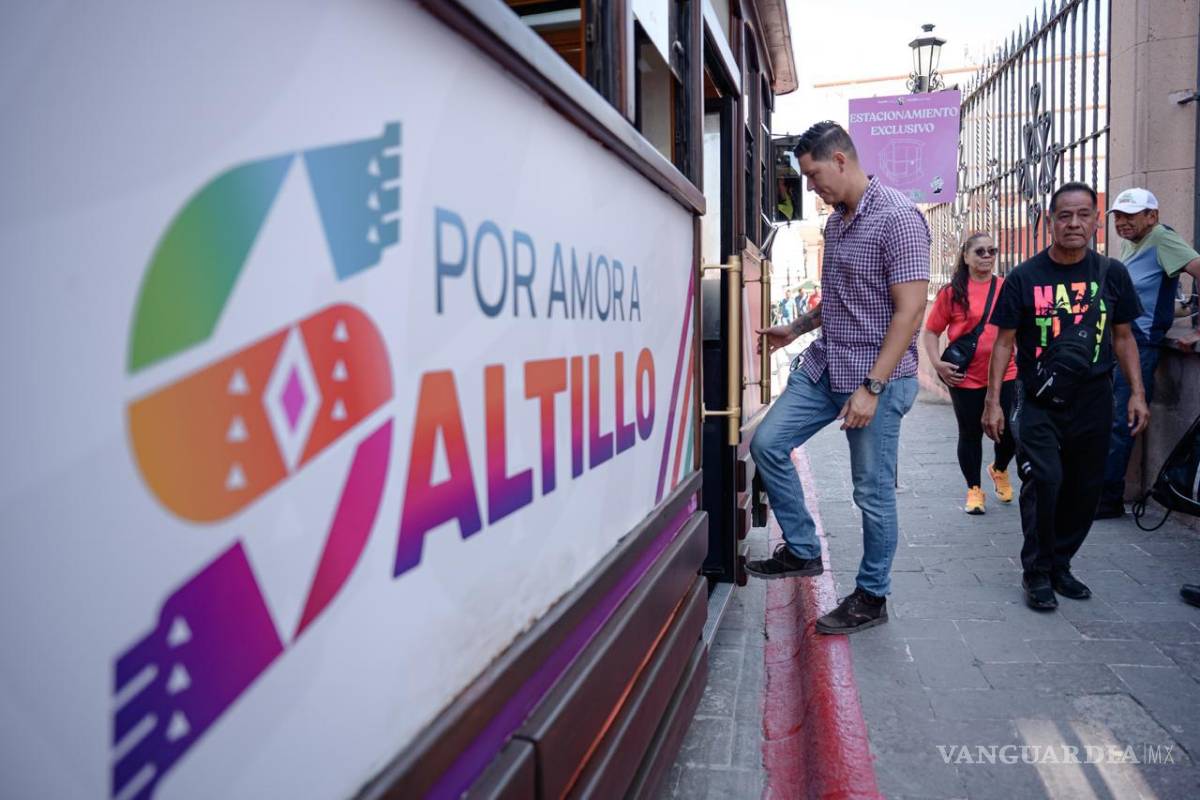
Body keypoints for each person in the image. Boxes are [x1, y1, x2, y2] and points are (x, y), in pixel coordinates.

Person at [745, 121, 928, 635]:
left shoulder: (898, 220)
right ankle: (802, 549)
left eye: (813, 174)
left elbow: (910, 311)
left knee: (871, 493)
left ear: (841, 160)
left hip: (877, 377)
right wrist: (795, 328)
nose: (810, 187)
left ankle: (872, 595)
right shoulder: (837, 223)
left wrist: (871, 389)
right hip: (828, 364)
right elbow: (844, 297)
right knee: (769, 443)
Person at [984, 182, 1149, 611]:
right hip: (1038, 399)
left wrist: (1137, 394)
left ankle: (1061, 563)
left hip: (1094, 398)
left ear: (1096, 220)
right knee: (1045, 481)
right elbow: (1003, 343)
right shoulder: (1025, 277)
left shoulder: (1112, 274)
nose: (1074, 223)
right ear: (1050, 221)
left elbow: (1125, 337)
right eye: (1064, 215)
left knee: (1085, 488)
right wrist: (992, 401)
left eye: (1083, 215)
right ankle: (1036, 571)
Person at [1095, 188, 1200, 519]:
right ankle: (1102, 491)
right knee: (1107, 417)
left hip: (1140, 342)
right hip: (1118, 338)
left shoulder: (1161, 238)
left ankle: (1108, 499)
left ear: (1152, 215)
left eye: (1131, 216)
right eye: (1119, 217)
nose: (1123, 223)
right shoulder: (1133, 241)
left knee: (1121, 420)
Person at [921, 232, 1018, 514]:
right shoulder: (953, 292)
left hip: (1006, 372)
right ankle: (974, 490)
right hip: (965, 376)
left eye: (992, 251)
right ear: (966, 256)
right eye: (980, 252)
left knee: (1011, 431)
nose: (987, 257)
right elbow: (931, 332)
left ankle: (999, 468)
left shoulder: (1006, 287)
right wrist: (937, 363)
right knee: (971, 433)